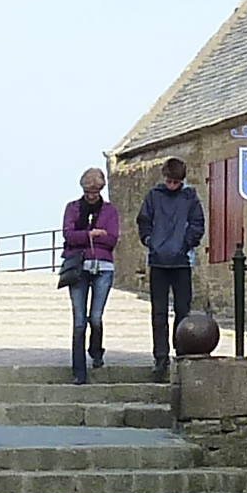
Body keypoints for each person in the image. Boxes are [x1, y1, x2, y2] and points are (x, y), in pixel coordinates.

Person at [133, 157, 208, 378]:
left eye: (175, 182)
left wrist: (186, 243)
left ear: (181, 180)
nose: (171, 185)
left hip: (182, 261)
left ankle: (181, 350)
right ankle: (160, 356)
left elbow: (198, 224)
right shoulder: (154, 196)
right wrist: (149, 240)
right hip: (158, 261)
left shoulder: (190, 197)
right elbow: (143, 220)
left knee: (182, 310)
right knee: (159, 312)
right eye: (169, 181)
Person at [58, 165, 120, 382]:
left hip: (103, 267)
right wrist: (91, 234)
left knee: (95, 318)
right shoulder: (72, 208)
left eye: (95, 193)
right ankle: (79, 372)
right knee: (79, 322)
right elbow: (68, 235)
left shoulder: (110, 211)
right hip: (78, 268)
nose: (92, 197)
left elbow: (112, 239)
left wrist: (85, 236)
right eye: (88, 193)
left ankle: (96, 351)